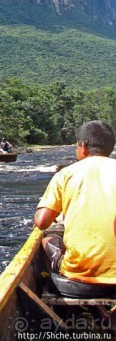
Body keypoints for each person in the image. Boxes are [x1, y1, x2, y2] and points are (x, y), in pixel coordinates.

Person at [34, 120, 116, 288]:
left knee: (47, 239)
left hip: (80, 277)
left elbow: (41, 222)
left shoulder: (66, 174)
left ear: (83, 147)